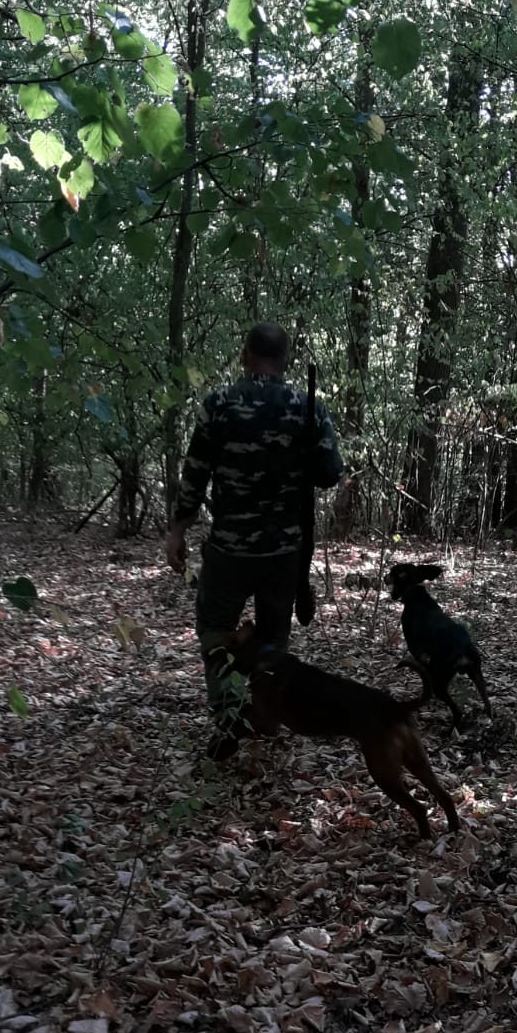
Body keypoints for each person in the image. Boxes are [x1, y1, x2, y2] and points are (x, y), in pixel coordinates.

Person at [167, 322, 344, 758]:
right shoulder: (307, 409)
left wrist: (178, 530)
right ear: (286, 361)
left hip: (230, 548)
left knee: (215, 633)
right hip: (284, 552)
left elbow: (195, 473)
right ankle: (264, 718)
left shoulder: (219, 404)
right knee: (272, 640)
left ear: (245, 355)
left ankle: (231, 717)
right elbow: (330, 474)